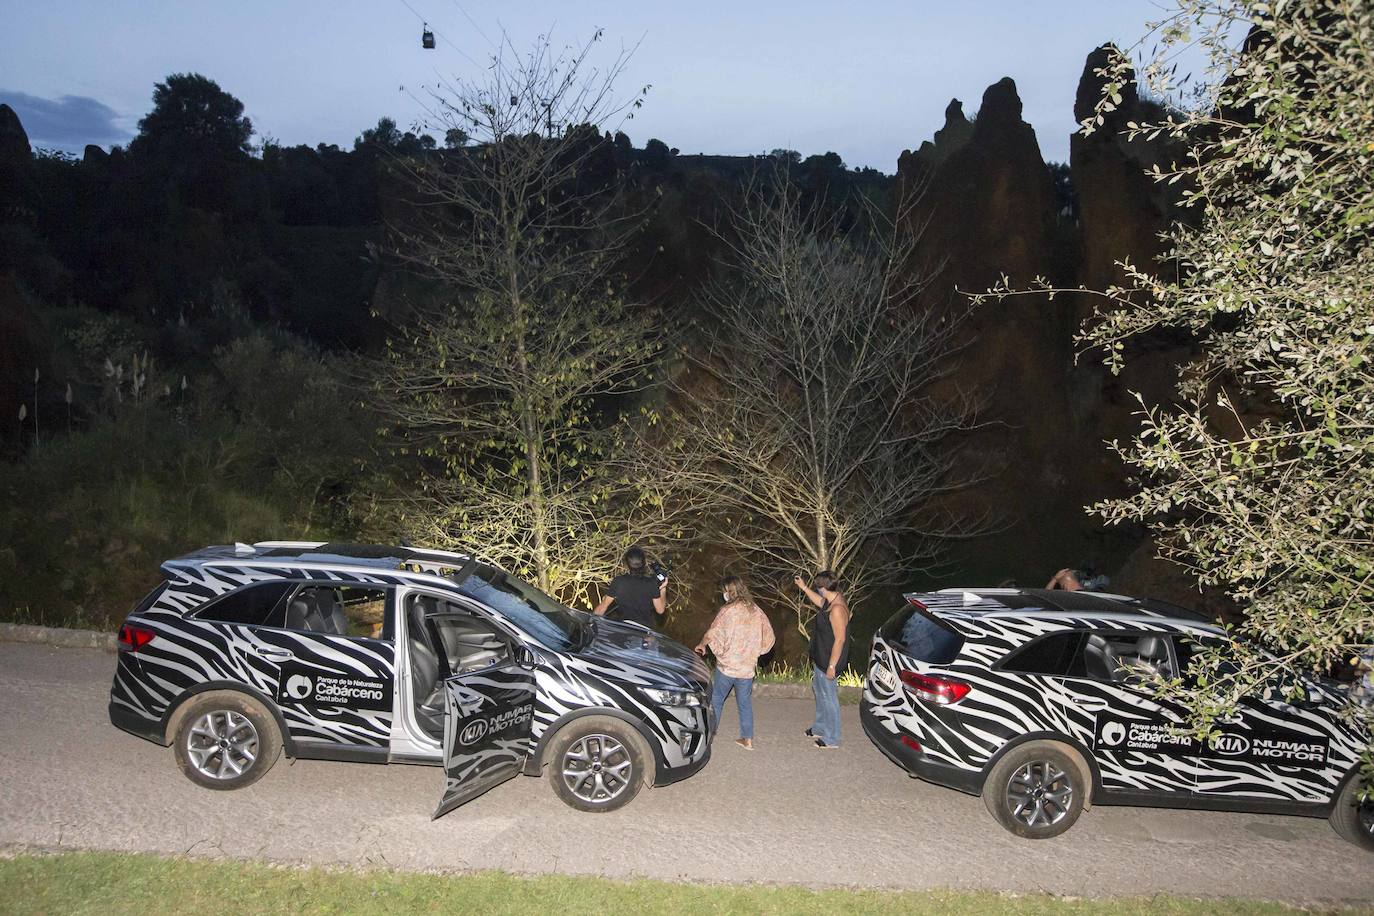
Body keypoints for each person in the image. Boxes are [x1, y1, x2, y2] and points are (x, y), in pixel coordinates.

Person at [695, 576, 775, 750]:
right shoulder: (756, 610)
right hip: (747, 667)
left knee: (716, 699)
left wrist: (702, 645)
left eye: (725, 590)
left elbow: (712, 633)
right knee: (744, 702)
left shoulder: (727, 611)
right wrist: (756, 651)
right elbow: (769, 636)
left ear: (729, 592)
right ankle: (748, 739)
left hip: (728, 666)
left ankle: (709, 736)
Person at [794, 570, 850, 749]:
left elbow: (840, 639)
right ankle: (819, 727)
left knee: (829, 697)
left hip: (829, 660)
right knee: (819, 691)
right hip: (822, 656)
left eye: (817, 587)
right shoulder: (831, 598)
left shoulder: (837, 609)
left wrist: (832, 666)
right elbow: (819, 601)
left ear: (824, 588)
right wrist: (803, 588)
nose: (816, 590)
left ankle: (832, 738)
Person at [593, 546, 666, 628]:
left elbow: (601, 608)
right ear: (644, 563)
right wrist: (663, 588)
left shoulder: (619, 582)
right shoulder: (651, 584)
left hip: (623, 628)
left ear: (626, 565)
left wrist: (590, 623)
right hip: (644, 631)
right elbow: (660, 610)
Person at [1046, 563, 1110, 592]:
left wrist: (1055, 579)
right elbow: (1047, 596)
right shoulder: (1068, 598)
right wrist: (1055, 579)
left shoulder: (1091, 585)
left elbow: (1047, 596)